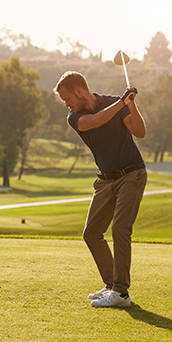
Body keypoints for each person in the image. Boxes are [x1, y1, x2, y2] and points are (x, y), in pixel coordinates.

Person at [53, 71, 147, 308]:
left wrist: (131, 105)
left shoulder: (114, 102)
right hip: (105, 180)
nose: (67, 105)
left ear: (80, 91)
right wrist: (121, 102)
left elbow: (140, 132)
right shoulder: (75, 117)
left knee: (120, 229)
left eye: (68, 99)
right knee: (91, 232)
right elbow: (95, 121)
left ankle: (121, 293)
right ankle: (110, 285)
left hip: (132, 174)